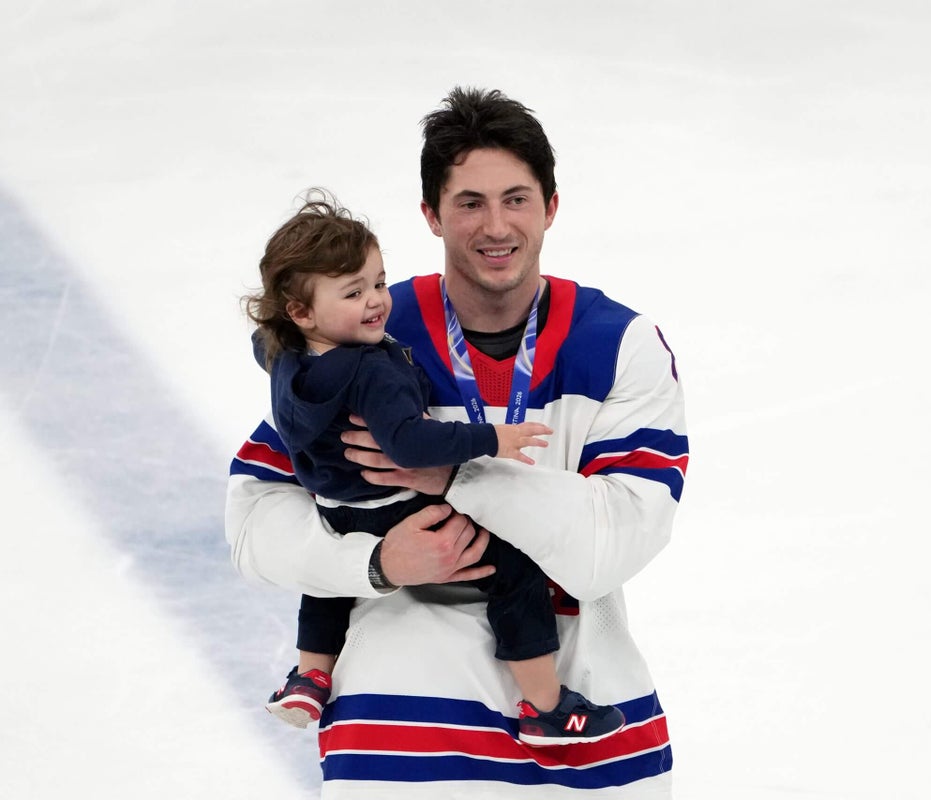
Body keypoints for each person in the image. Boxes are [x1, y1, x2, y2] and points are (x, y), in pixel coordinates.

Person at [226, 86, 688, 798]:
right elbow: (256, 522)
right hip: (396, 731)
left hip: (581, 732)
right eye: (469, 202)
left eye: (516, 198)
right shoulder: (365, 332)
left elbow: (609, 549)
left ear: (551, 207)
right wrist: (377, 562)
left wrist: (452, 476)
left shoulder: (620, 345)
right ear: (432, 215)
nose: (495, 225)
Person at [241, 190, 625, 746]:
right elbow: (410, 443)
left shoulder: (279, 354)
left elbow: (264, 340)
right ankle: (546, 705)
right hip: (397, 507)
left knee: (327, 585)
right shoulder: (372, 371)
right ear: (300, 311)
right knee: (514, 568)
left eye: (377, 281)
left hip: (336, 510)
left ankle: (309, 675)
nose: (377, 301)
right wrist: (493, 438)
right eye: (354, 292)